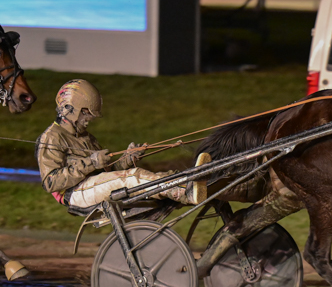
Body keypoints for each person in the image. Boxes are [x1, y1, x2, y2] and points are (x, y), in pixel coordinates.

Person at [35, 79, 207, 209]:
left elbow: (108, 172)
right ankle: (183, 190)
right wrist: (91, 163)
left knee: (135, 175)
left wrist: (127, 158)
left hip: (90, 185)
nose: (90, 119)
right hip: (73, 193)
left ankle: (183, 180)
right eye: (86, 113)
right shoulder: (51, 137)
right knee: (132, 177)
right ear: (70, 109)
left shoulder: (86, 137)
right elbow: (50, 183)